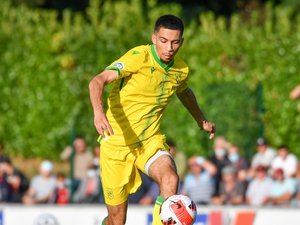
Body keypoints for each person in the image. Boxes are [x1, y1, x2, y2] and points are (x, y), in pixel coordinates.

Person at [89, 15, 216, 225]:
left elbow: (184, 92)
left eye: (175, 42)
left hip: (149, 141)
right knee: (117, 220)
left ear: (181, 42)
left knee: (170, 178)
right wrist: (98, 112)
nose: (169, 48)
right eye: (164, 41)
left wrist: (201, 120)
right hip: (116, 144)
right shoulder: (138, 57)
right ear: (154, 38)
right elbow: (97, 81)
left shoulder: (180, 70)